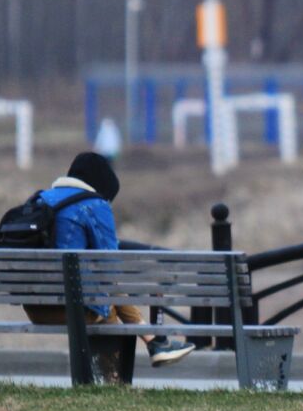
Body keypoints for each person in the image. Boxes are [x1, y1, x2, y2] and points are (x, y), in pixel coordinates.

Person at [23, 152, 194, 368]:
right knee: (107, 303)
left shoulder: (39, 200)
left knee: (103, 290)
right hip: (72, 310)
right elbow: (110, 266)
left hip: (35, 308)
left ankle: (154, 342)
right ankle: (118, 377)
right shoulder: (94, 204)